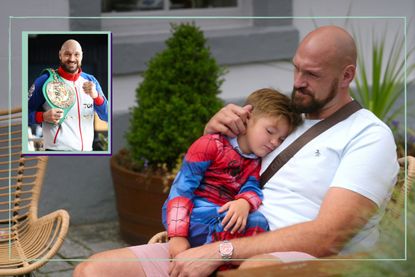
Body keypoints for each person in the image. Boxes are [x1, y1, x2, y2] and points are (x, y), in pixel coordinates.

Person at [73, 25, 399, 277]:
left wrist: (222, 251)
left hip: (296, 262)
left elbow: (328, 236)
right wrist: (212, 136)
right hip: (219, 237)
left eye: (311, 74)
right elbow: (211, 172)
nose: (298, 81)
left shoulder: (368, 136)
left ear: (347, 75)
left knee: (255, 272)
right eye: (296, 68)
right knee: (92, 270)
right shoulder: (283, 122)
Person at [163, 88, 303, 261]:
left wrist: (244, 202)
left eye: (281, 139)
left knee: (258, 221)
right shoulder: (210, 145)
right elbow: (182, 189)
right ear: (246, 118)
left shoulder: (255, 160)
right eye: (270, 131)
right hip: (194, 212)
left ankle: (224, 265)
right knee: (226, 224)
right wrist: (177, 235)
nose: (274, 142)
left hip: (223, 214)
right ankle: (208, 260)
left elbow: (252, 186)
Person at [28, 39, 108, 151]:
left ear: (82, 56)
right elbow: (24, 115)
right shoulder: (45, 80)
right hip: (56, 151)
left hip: (87, 152)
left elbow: (107, 115)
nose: (72, 59)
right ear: (60, 55)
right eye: (67, 54)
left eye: (76, 54)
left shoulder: (91, 81)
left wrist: (96, 97)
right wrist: (43, 116)